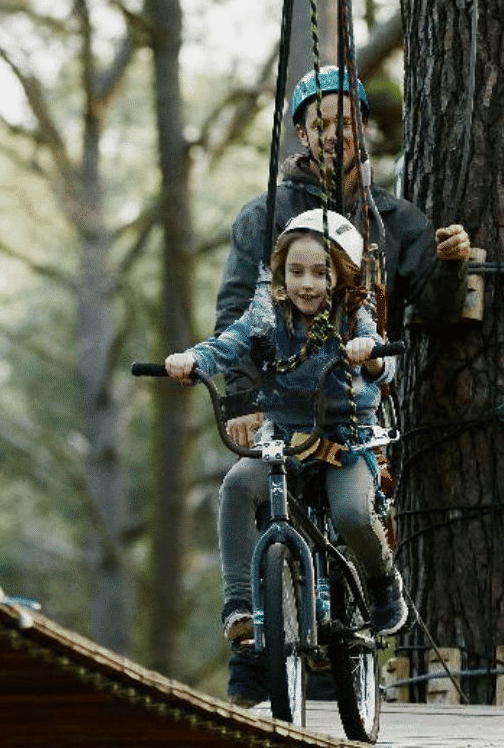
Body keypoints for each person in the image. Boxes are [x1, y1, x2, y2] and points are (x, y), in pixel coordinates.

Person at [166, 210, 406, 705]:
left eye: (320, 273)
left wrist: (371, 352)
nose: (307, 284)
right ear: (280, 274)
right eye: (295, 272)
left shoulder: (352, 314)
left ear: (340, 275)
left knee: (352, 512)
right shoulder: (267, 315)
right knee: (236, 486)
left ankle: (382, 582)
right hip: (286, 440)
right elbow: (230, 344)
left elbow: (383, 365)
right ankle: (240, 603)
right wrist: (194, 361)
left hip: (345, 441)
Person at [217, 65, 471, 451]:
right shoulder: (264, 217)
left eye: (347, 123)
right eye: (321, 125)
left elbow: (440, 311)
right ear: (302, 134)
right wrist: (241, 400)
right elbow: (236, 310)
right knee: (258, 498)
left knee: (360, 511)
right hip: (279, 415)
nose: (335, 135)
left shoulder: (395, 221)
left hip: (365, 416)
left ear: (364, 128)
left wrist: (452, 265)